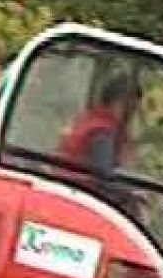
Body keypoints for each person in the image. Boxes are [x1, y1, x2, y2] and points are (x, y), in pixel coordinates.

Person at [53, 72, 142, 214]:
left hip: (69, 192)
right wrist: (132, 192)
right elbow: (103, 177)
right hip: (81, 199)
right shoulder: (103, 131)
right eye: (132, 106)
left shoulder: (91, 120)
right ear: (120, 101)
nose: (133, 113)